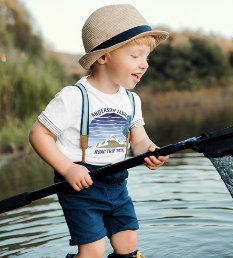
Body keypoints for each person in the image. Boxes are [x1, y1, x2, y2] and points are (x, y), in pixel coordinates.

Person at [29, 4, 169, 258]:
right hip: (80, 184)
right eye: (136, 56)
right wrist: (67, 168)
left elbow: (138, 140)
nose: (145, 64)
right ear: (103, 57)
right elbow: (39, 134)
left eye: (146, 57)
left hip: (116, 181)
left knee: (128, 243)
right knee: (93, 250)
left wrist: (148, 150)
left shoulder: (131, 100)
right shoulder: (74, 97)